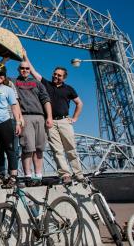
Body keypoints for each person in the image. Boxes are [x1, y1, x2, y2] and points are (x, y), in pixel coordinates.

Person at [25, 52, 84, 184]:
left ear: (64, 78)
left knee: (71, 149)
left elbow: (79, 103)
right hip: (50, 122)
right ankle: (65, 175)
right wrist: (25, 56)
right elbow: (33, 71)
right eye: (55, 74)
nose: (56, 76)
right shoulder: (46, 84)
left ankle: (78, 174)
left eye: (59, 75)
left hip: (64, 121)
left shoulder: (69, 89)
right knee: (57, 150)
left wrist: (74, 118)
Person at [13, 60, 52, 187]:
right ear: (18, 69)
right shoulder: (13, 82)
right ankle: (28, 177)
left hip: (40, 117)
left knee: (39, 148)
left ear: (30, 70)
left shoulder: (37, 83)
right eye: (22, 68)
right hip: (25, 117)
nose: (25, 70)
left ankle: (38, 176)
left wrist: (49, 117)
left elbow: (45, 99)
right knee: (28, 148)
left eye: (27, 68)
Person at [0, 63, 23, 188]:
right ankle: (1, 175)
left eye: (1, 74)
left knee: (10, 149)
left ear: (4, 76)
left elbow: (14, 107)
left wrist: (18, 122)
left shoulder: (8, 89)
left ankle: (13, 176)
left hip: (5, 121)